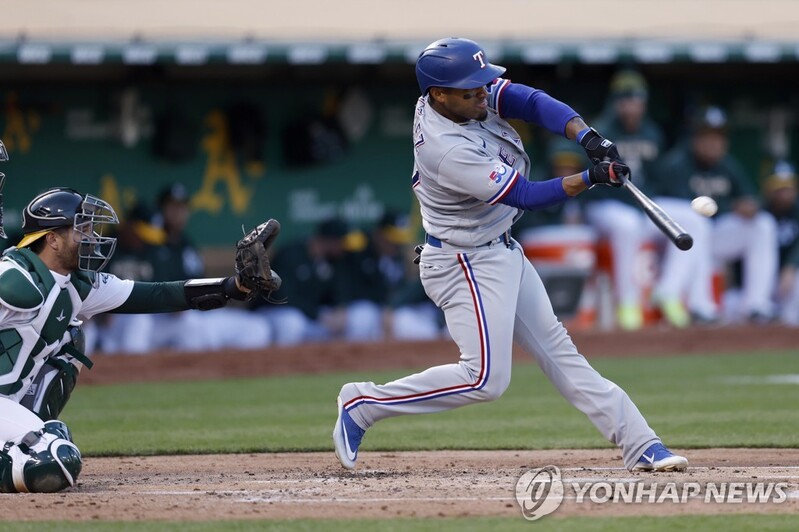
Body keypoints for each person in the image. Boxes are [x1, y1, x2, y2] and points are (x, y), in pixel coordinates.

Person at [332, 38, 687, 474]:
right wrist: (591, 177)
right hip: (463, 263)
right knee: (485, 380)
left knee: (561, 354)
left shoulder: (459, 98)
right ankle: (362, 403)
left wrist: (588, 137)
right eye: (471, 90)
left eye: (483, 85)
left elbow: (530, 101)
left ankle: (640, 443)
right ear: (438, 95)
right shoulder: (444, 148)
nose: (484, 94)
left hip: (500, 250)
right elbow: (525, 195)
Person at [0, 185, 280, 493]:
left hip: (11, 402)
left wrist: (233, 286)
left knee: (71, 342)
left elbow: (157, 293)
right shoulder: (15, 279)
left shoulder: (75, 284)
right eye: (81, 230)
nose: (91, 237)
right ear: (52, 239)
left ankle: (26, 436)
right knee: (57, 460)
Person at [583, 70, 715, 328]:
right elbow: (591, 180)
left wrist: (648, 202)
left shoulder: (652, 132)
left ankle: (669, 292)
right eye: (625, 99)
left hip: (639, 203)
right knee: (627, 224)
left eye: (636, 99)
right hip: (604, 205)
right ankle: (628, 303)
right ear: (616, 102)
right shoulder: (600, 132)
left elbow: (656, 178)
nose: (631, 105)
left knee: (694, 221)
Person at [102, 184, 272, 353]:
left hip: (181, 315)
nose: (178, 213)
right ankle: (134, 371)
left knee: (255, 328)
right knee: (144, 322)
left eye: (182, 207)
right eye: (173, 207)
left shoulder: (181, 245)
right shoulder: (117, 249)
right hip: (143, 319)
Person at [652, 106, 778, 323]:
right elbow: (686, 209)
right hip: (672, 243)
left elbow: (749, 199)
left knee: (763, 224)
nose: (714, 143)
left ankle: (756, 305)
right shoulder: (677, 163)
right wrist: (731, 207)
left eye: (719, 137)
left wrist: (749, 206)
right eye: (707, 136)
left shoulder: (727, 165)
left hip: (711, 236)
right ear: (695, 138)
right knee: (698, 224)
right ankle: (700, 307)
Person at [342, 211, 443, 340]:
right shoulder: (362, 252)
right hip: (373, 308)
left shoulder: (407, 256)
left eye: (399, 240)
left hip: (402, 309)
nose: (396, 245)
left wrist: (413, 274)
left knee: (412, 324)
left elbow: (417, 290)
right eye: (392, 240)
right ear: (379, 235)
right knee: (364, 317)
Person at [761, 161, 799, 324]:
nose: (783, 192)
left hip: (788, 280)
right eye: (778, 187)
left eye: (788, 187)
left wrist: (790, 266)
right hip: (761, 283)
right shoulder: (760, 212)